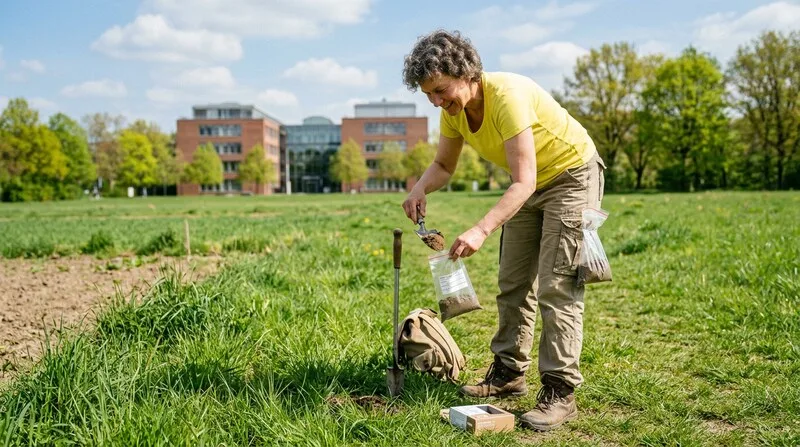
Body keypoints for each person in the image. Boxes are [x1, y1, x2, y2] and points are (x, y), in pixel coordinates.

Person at [401, 30, 606, 432]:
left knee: (555, 284)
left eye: (441, 90)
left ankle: (560, 392)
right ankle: (508, 374)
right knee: (512, 281)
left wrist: (481, 228)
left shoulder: (507, 95)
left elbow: (524, 181)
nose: (436, 102)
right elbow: (444, 165)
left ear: (467, 73)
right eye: (428, 95)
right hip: (527, 183)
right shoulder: (453, 113)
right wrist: (420, 187)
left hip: (571, 175)